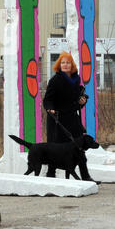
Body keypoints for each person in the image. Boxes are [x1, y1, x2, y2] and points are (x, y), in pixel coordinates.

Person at [43, 51, 95, 182]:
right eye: (63, 63)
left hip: (72, 119)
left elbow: (76, 102)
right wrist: (50, 108)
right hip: (58, 120)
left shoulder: (76, 80)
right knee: (55, 149)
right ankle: (50, 176)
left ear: (72, 65)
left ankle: (86, 176)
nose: (65, 65)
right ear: (59, 65)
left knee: (79, 149)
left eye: (68, 63)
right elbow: (48, 99)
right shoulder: (55, 80)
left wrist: (82, 102)